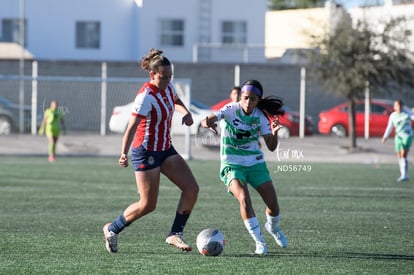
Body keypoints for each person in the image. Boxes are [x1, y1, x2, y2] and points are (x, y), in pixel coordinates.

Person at [103, 49, 199, 253]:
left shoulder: (168, 87)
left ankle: (175, 234)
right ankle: (112, 229)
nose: (166, 80)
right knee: (148, 205)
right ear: (152, 75)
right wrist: (123, 153)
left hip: (165, 148)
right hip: (145, 152)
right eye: (162, 77)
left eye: (169, 76)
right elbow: (131, 127)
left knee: (191, 189)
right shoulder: (145, 96)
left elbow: (175, 99)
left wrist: (187, 113)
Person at [201, 79, 288, 255]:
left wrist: (275, 133)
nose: (248, 103)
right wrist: (208, 123)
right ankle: (259, 242)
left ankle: (272, 228)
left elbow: (271, 146)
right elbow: (207, 120)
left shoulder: (260, 116)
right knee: (243, 198)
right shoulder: (230, 109)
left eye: (253, 99)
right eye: (245, 98)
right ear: (240, 97)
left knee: (273, 205)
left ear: (258, 100)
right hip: (232, 163)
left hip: (255, 163)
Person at [382, 99, 414, 182]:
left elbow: (413, 117)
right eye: (396, 105)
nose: (398, 107)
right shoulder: (393, 115)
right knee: (400, 156)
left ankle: (404, 175)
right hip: (398, 137)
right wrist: (385, 136)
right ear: (394, 107)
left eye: (399, 105)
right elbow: (390, 126)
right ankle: (403, 174)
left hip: (407, 136)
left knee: (403, 154)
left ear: (402, 106)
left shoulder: (407, 113)